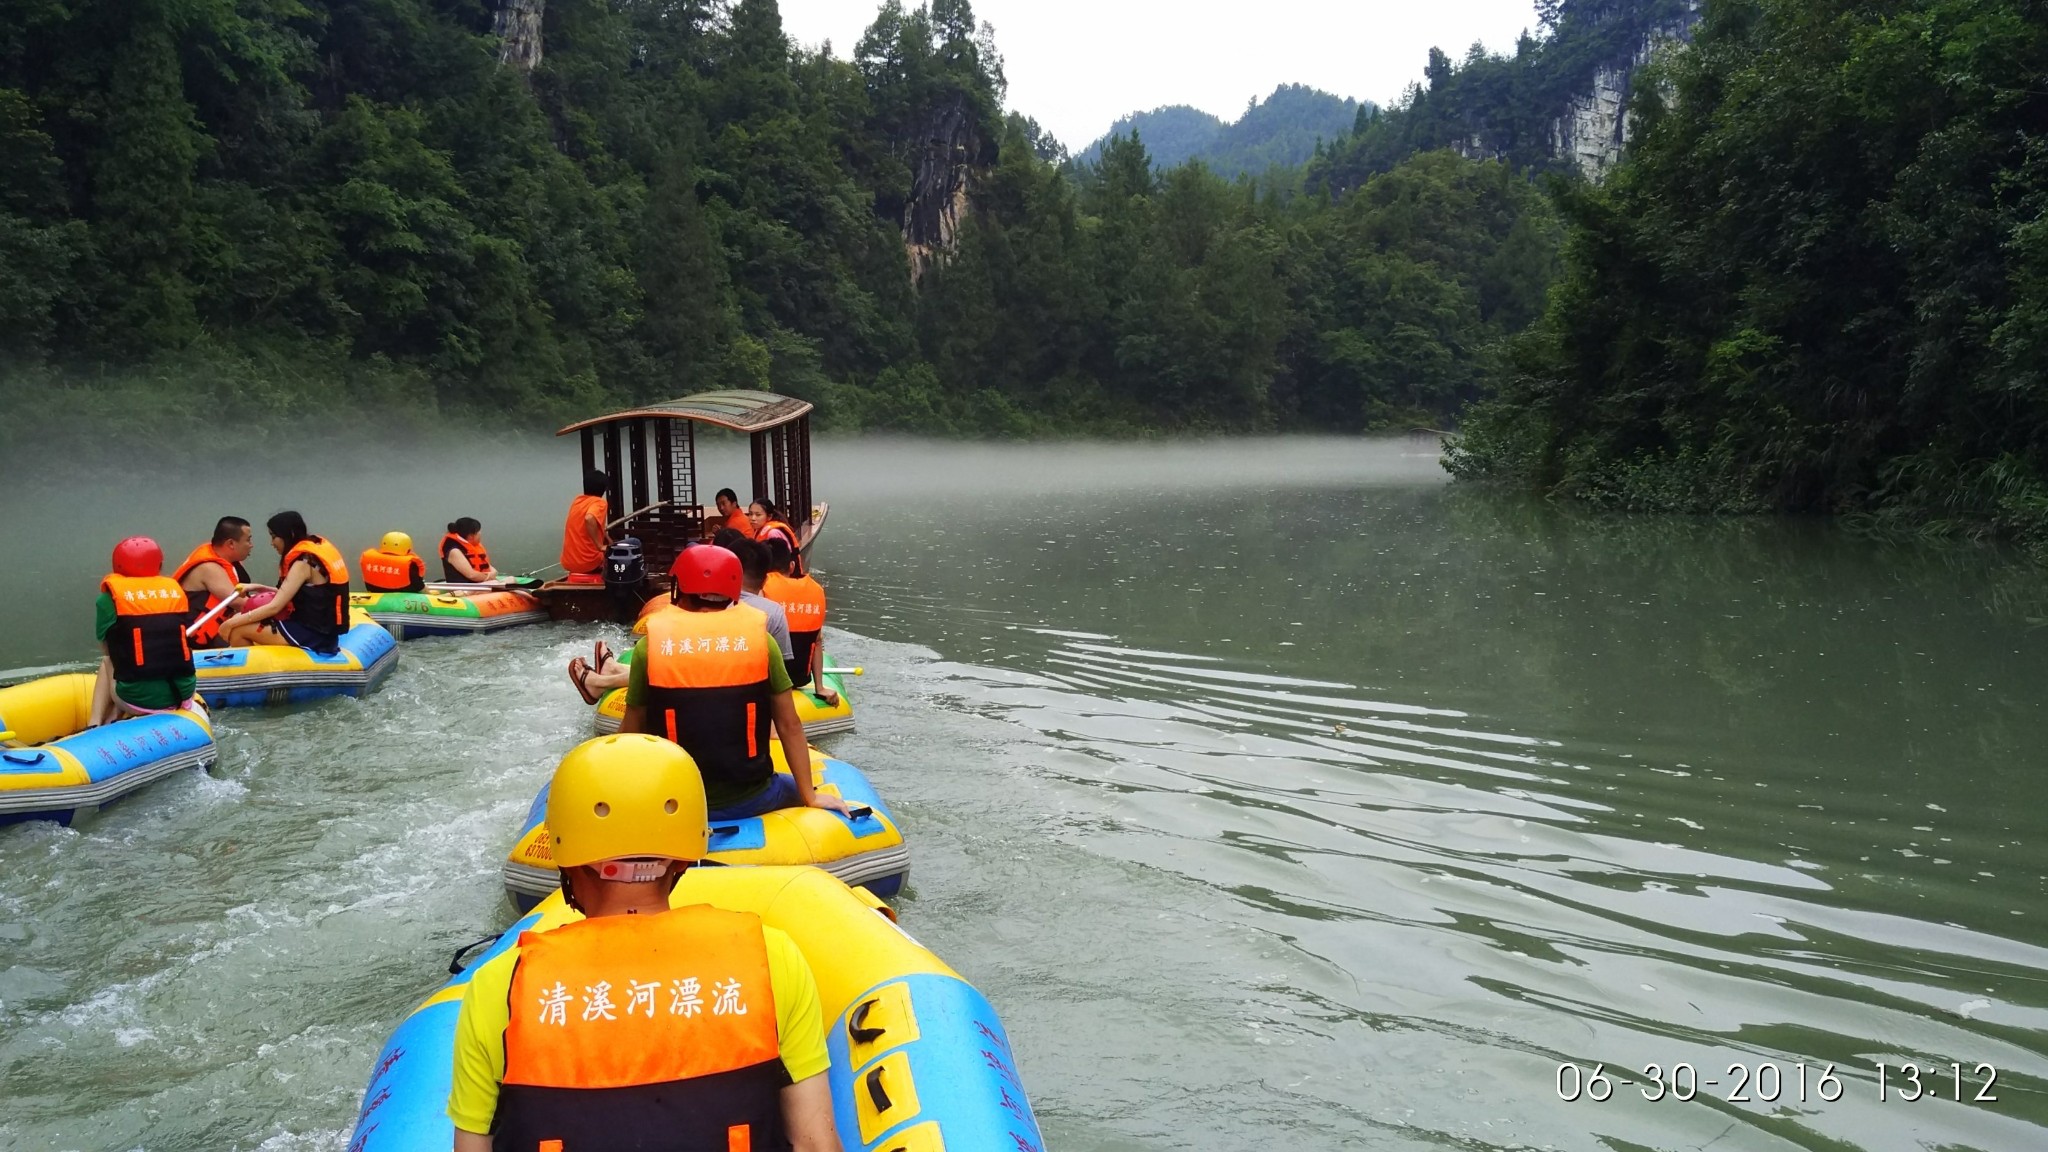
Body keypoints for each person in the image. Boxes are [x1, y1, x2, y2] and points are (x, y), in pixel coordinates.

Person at [446, 734, 841, 1152]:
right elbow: (816, 1144)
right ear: (687, 851)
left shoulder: (500, 986)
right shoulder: (771, 957)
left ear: (565, 852)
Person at [620, 546, 850, 820]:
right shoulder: (763, 643)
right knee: (802, 788)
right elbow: (789, 725)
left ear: (680, 587)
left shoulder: (650, 647)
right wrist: (809, 796)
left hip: (674, 800)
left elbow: (631, 731)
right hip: (752, 797)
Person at [567, 535, 793, 705]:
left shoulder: (710, 610)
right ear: (764, 579)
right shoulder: (770, 612)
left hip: (723, 681)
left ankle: (601, 681)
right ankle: (610, 671)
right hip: (731, 680)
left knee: (668, 667)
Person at [90, 537, 198, 726]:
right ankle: (116, 713)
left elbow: (107, 650)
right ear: (159, 564)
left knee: (108, 661)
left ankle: (94, 722)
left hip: (138, 700)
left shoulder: (108, 600)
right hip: (184, 693)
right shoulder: (175, 591)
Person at [220, 511, 351, 654]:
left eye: (274, 536)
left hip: (314, 635)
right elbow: (290, 594)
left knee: (237, 630)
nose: (272, 543)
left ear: (290, 534)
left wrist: (230, 623)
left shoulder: (303, 563)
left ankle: (250, 673)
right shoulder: (309, 554)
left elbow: (274, 607)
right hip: (319, 630)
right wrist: (257, 587)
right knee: (240, 620)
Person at [761, 536, 835, 706]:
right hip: (799, 677)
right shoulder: (815, 589)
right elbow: (817, 641)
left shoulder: (762, 587)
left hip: (769, 680)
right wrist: (820, 687)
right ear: (792, 566)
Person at [173, 517, 258, 649]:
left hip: (216, 633)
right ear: (231, 544)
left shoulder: (231, 563)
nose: (251, 545)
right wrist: (279, 604)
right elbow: (241, 604)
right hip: (197, 641)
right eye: (248, 540)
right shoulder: (209, 568)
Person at [561, 470, 611, 578]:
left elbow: (592, 525)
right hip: (589, 563)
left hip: (569, 563)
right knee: (634, 542)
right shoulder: (599, 502)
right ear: (603, 489)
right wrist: (600, 545)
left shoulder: (577, 501)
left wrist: (608, 540)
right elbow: (589, 518)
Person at [359, 532, 427, 593]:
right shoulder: (410, 564)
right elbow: (419, 587)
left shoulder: (369, 558)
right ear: (408, 549)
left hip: (375, 594)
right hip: (403, 598)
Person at [440, 517, 497, 582]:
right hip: (463, 588)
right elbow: (471, 575)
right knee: (498, 583)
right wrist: (489, 577)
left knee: (510, 579)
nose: (481, 533)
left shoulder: (473, 547)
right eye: (479, 531)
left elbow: (490, 568)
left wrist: (493, 573)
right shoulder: (454, 551)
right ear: (471, 536)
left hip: (479, 584)